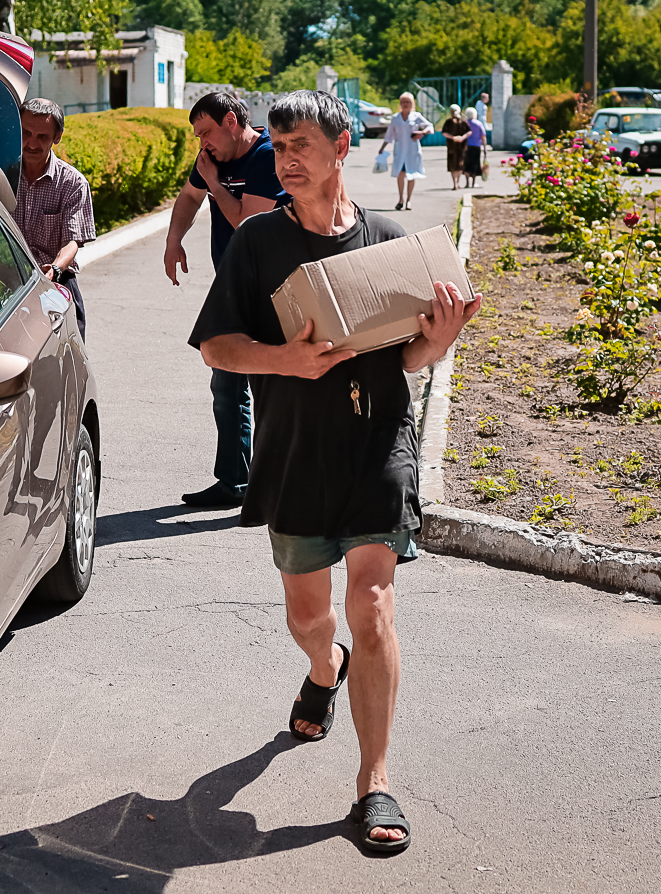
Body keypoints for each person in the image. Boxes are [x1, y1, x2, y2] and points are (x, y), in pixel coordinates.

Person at [189, 90, 480, 854]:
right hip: (293, 453)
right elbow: (218, 347)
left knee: (373, 600)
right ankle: (326, 668)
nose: (285, 161)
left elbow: (406, 358)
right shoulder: (256, 243)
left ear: (342, 147)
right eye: (278, 147)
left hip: (377, 443)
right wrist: (285, 360)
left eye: (300, 147)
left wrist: (438, 341)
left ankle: (373, 782)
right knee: (309, 618)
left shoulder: (392, 242)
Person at [164, 90, 286, 509]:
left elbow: (247, 223)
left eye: (207, 133)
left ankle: (278, 484)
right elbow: (188, 197)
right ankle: (234, 481)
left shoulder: (267, 157)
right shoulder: (214, 159)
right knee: (226, 382)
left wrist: (215, 183)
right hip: (233, 286)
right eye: (198, 136)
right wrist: (173, 240)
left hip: (273, 290)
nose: (203, 144)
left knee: (270, 386)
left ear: (232, 121)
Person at [13, 97, 96, 340]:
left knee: (69, 354)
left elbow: (72, 242)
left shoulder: (73, 183)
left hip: (55, 282)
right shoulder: (1, 174)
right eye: (26, 133)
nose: (31, 143)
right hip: (7, 281)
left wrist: (55, 270)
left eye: (42, 136)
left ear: (57, 137)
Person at [375, 93, 431, 211]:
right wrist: (382, 147)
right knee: (400, 173)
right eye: (403, 102)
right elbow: (389, 134)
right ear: (400, 104)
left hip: (412, 150)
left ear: (412, 104)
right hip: (400, 150)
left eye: (408, 102)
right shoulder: (395, 118)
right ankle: (401, 199)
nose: (405, 104)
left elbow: (430, 126)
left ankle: (409, 200)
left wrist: (422, 132)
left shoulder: (416, 116)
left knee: (411, 174)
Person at [441, 103, 471, 191]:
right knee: (453, 165)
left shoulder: (462, 122)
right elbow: (444, 133)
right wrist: (452, 137)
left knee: (460, 165)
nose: (452, 113)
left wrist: (462, 137)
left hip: (461, 148)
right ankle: (455, 183)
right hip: (452, 147)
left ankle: (457, 182)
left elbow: (469, 132)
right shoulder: (448, 122)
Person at [464, 105, 488, 188]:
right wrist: (485, 148)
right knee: (475, 164)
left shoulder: (465, 123)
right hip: (476, 146)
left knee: (466, 164)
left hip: (466, 146)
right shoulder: (479, 124)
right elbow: (483, 136)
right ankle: (473, 183)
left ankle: (467, 183)